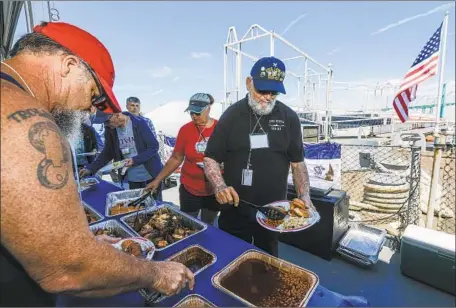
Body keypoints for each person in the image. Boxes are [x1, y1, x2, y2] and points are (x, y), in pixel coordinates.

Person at [1, 21, 193, 307]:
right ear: (68, 65)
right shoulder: (28, 122)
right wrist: (156, 273)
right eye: (94, 96)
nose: (91, 110)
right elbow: (67, 269)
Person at [203, 56, 316, 257]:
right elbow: (210, 158)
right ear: (249, 83)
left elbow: (297, 163)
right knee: (233, 259)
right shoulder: (231, 115)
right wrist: (219, 186)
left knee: (268, 261)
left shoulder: (289, 118)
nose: (267, 97)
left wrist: (304, 195)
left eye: (274, 92)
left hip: (274, 211)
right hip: (235, 208)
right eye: (262, 90)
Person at [145, 93, 220, 225]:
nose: (194, 116)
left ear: (208, 108)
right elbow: (176, 158)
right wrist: (157, 180)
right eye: (191, 112)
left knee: (209, 224)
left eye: (198, 113)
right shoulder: (185, 130)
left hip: (213, 189)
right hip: (190, 189)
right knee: (186, 223)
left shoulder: (220, 128)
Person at [79, 111, 164, 200]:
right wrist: (91, 169)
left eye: (107, 122)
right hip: (133, 178)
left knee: (156, 206)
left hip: (151, 175)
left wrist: (135, 160)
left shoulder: (139, 123)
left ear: (117, 115)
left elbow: (153, 146)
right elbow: (107, 153)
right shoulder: (110, 130)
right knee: (139, 206)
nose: (106, 125)